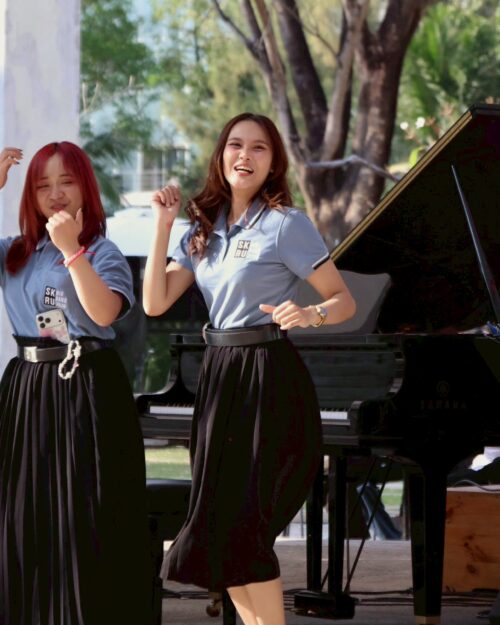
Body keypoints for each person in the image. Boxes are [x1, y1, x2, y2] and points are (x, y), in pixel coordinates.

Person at [143, 112, 356, 625]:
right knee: (222, 529)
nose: (245, 155)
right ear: (221, 156)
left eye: (259, 147)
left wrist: (310, 314)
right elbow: (154, 302)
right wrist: (163, 226)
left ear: (273, 162)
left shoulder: (285, 224)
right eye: (235, 144)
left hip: (268, 375)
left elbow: (343, 301)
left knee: (246, 528)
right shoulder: (202, 228)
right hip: (220, 376)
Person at [0, 143, 151, 625]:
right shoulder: (15, 252)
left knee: (85, 514)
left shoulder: (103, 252)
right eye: (42, 185)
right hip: (27, 388)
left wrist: (71, 251)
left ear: (86, 187)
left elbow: (104, 313)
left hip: (86, 385)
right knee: (24, 514)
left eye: (66, 181)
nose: (55, 194)